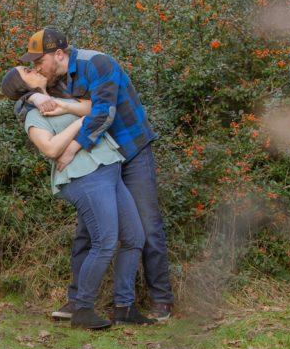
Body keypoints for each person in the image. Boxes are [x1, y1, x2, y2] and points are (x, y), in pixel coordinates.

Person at [17, 27, 175, 322]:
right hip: (100, 161)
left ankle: (160, 299)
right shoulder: (55, 79)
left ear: (59, 54)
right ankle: (78, 301)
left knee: (146, 225)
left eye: (39, 61)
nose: (37, 67)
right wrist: (34, 100)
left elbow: (104, 113)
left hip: (130, 150)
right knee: (87, 232)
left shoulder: (98, 63)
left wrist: (71, 148)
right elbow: (17, 91)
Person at [1, 64, 155, 329]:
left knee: (134, 237)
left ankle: (124, 306)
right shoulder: (32, 115)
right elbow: (50, 149)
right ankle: (82, 309)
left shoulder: (61, 94)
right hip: (84, 177)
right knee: (105, 241)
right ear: (21, 85)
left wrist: (72, 110)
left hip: (109, 166)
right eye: (27, 70)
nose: (34, 67)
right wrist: (79, 125)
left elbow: (93, 107)